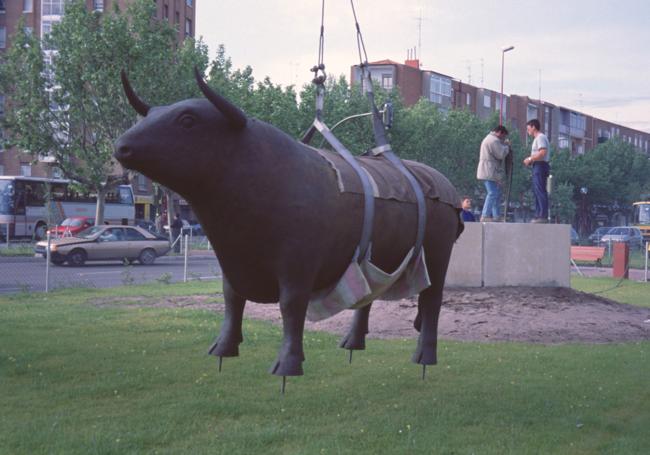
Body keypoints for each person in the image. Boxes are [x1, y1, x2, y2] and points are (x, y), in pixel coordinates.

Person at [476, 125, 510, 222]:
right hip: (489, 171)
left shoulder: (489, 139)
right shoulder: (493, 140)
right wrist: (506, 146)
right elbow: (500, 154)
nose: (503, 139)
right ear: (499, 132)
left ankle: (496, 216)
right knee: (492, 193)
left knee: (497, 193)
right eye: (503, 136)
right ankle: (485, 215)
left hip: (489, 171)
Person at [523, 119, 550, 223]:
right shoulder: (538, 138)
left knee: (540, 190)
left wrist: (530, 159)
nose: (527, 130)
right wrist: (531, 161)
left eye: (528, 128)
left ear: (533, 126)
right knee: (537, 191)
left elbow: (542, 153)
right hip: (537, 165)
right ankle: (539, 214)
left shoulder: (540, 137)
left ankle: (542, 215)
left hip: (540, 166)